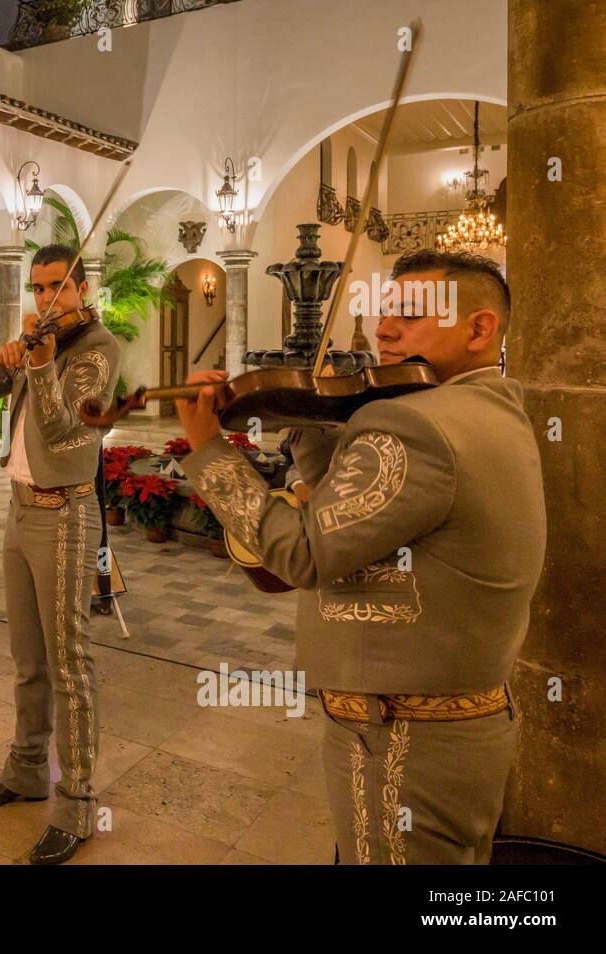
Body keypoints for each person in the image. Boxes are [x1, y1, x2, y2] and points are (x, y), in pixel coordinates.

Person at [177, 249, 546, 864]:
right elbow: (364, 516)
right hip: (457, 724)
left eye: (410, 314)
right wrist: (309, 421)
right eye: (384, 312)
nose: (384, 330)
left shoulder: (420, 426)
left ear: (480, 329)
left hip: (403, 738)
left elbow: (303, 554)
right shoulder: (488, 409)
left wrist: (208, 448)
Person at [0, 244, 119, 864]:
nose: (47, 299)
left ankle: (76, 803)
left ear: (81, 289)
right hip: (18, 510)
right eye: (39, 287)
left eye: (59, 287)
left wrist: (44, 365)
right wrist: (3, 360)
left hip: (66, 514)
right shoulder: (35, 340)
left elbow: (61, 428)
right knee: (27, 657)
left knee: (69, 662)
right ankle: (26, 768)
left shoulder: (97, 348)